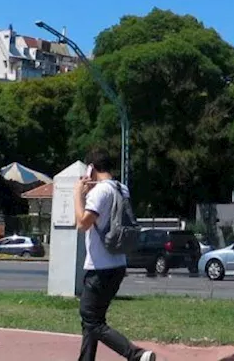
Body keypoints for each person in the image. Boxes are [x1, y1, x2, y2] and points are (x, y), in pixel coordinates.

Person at [75, 148, 156, 361]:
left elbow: (83, 224)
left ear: (91, 168)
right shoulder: (122, 188)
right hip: (118, 264)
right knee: (92, 320)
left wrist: (78, 194)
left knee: (92, 320)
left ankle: (136, 355)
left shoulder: (99, 192)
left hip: (99, 268)